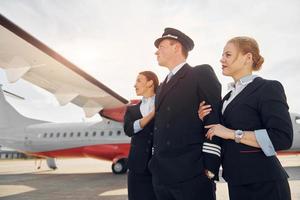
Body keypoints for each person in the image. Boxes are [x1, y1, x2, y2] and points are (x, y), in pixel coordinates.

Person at [198, 36, 293, 200]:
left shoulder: (268, 88)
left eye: (228, 54)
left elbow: (282, 138)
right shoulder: (227, 98)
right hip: (236, 183)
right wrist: (202, 119)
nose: (222, 59)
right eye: (222, 55)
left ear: (247, 58)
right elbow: (218, 133)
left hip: (265, 184)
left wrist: (233, 133)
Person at [148, 27, 222, 200]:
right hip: (162, 174)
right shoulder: (161, 86)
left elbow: (213, 119)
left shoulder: (200, 74)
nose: (156, 52)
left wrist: (210, 167)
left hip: (191, 173)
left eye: (161, 47)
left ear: (176, 47)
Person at [124, 71, 159, 200]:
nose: (135, 85)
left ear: (150, 83)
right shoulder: (131, 110)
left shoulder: (166, 104)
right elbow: (129, 130)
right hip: (137, 168)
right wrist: (151, 115)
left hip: (161, 166)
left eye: (139, 80)